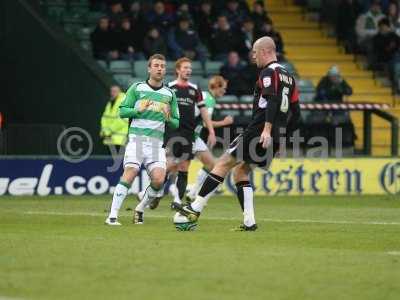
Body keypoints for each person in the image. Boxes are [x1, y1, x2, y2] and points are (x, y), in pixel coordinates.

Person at [173, 37, 301, 231]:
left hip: (259, 131)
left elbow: (273, 100)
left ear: (265, 51)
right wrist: (280, 139)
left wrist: (266, 130)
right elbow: (296, 114)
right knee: (241, 172)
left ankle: (194, 209)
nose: (253, 56)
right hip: (273, 137)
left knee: (223, 163)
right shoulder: (289, 77)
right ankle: (249, 222)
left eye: (255, 52)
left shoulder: (268, 72)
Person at [105, 54, 179, 226]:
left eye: (162, 66)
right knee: (130, 174)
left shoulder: (169, 94)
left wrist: (168, 118)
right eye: (156, 65)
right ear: (149, 68)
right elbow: (122, 111)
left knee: (159, 180)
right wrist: (138, 109)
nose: (160, 68)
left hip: (156, 144)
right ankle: (112, 216)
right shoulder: (137, 88)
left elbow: (176, 122)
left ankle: (140, 208)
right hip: (137, 141)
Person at [136, 57, 216, 213]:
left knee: (184, 167)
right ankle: (154, 193)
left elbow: (204, 111)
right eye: (185, 68)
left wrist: (211, 130)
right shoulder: (169, 87)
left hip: (188, 133)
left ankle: (177, 200)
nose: (188, 70)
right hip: (172, 132)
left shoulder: (194, 89)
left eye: (190, 68)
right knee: (168, 164)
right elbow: (159, 107)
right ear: (178, 70)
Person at [185, 75, 233, 202]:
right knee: (173, 167)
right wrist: (224, 122)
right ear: (216, 86)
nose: (225, 91)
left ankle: (192, 193)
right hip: (189, 135)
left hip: (193, 135)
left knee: (211, 164)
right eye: (223, 88)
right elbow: (207, 123)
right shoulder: (210, 100)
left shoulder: (205, 95)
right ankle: (147, 193)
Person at [100, 85, 128, 153]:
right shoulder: (111, 102)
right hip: (109, 138)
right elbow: (105, 118)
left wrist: (108, 131)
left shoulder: (124, 101)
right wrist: (104, 131)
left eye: (115, 91)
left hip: (119, 139)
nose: (112, 93)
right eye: (111, 91)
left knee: (118, 161)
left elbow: (122, 120)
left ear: (120, 92)